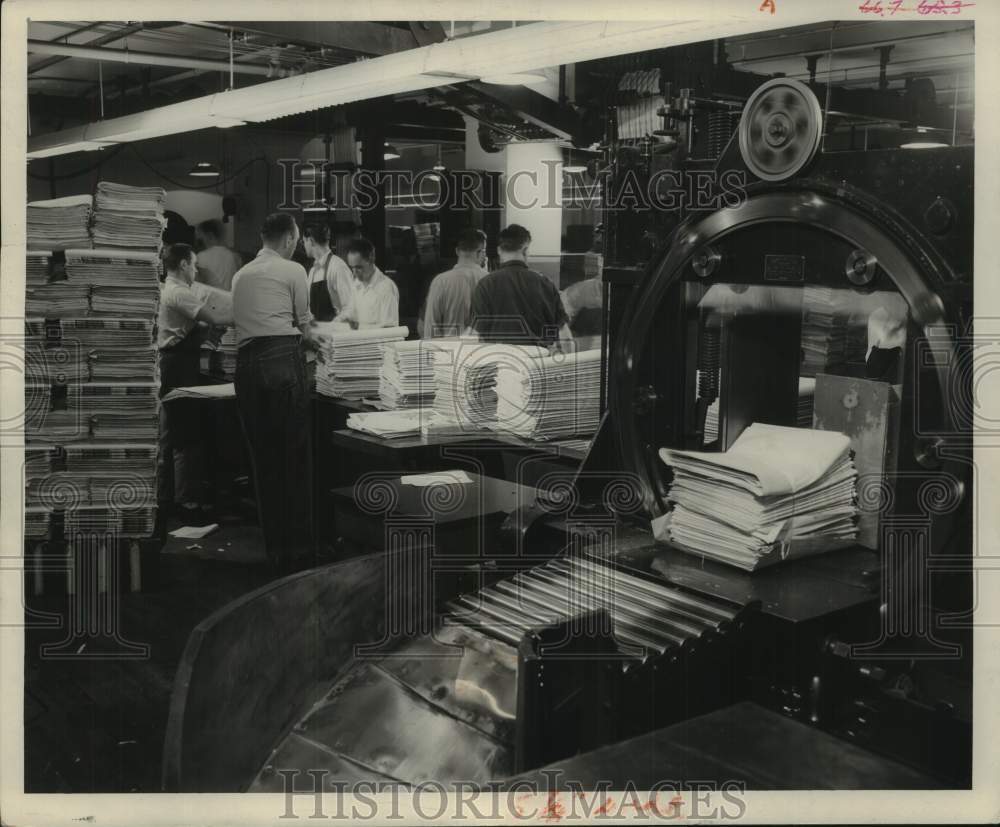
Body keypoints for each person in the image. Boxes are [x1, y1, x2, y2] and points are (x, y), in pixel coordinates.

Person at [231, 213, 325, 572]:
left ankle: (276, 552)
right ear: (289, 239)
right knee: (295, 459)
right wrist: (320, 343)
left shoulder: (242, 274)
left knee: (264, 461)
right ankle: (301, 554)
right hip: (282, 360)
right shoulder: (293, 271)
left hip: (246, 366)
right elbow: (303, 324)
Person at [156, 243, 232, 518]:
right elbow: (212, 316)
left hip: (169, 364)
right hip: (177, 366)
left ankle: (165, 498)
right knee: (185, 435)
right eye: (194, 264)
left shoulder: (167, 289)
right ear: (185, 265)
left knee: (169, 434)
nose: (196, 270)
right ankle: (186, 504)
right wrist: (245, 315)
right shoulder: (179, 292)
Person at [469, 224, 573, 349]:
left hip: (500, 362)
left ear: (499, 250)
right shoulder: (545, 284)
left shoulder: (485, 285)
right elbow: (565, 336)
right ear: (525, 250)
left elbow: (475, 334)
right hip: (538, 362)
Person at [422, 228, 488, 339]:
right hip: (479, 351)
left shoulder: (440, 281)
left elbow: (431, 326)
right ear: (480, 252)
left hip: (447, 351)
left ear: (457, 251)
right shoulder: (489, 280)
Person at [336, 237, 399, 328]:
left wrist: (358, 327)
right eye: (352, 267)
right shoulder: (356, 284)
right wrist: (337, 321)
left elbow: (389, 328)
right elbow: (350, 313)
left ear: (371, 260)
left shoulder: (386, 288)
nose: (354, 273)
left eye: (358, 267)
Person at [302, 223, 353, 322]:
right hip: (316, 333)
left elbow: (351, 308)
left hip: (335, 333)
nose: (304, 246)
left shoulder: (338, 267)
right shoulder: (312, 271)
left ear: (311, 241)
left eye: (304, 241)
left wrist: (332, 325)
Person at [195, 218, 242, 291]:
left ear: (209, 236)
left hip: (211, 299)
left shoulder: (200, 256)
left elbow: (197, 284)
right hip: (230, 298)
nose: (199, 242)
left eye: (200, 239)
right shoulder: (235, 256)